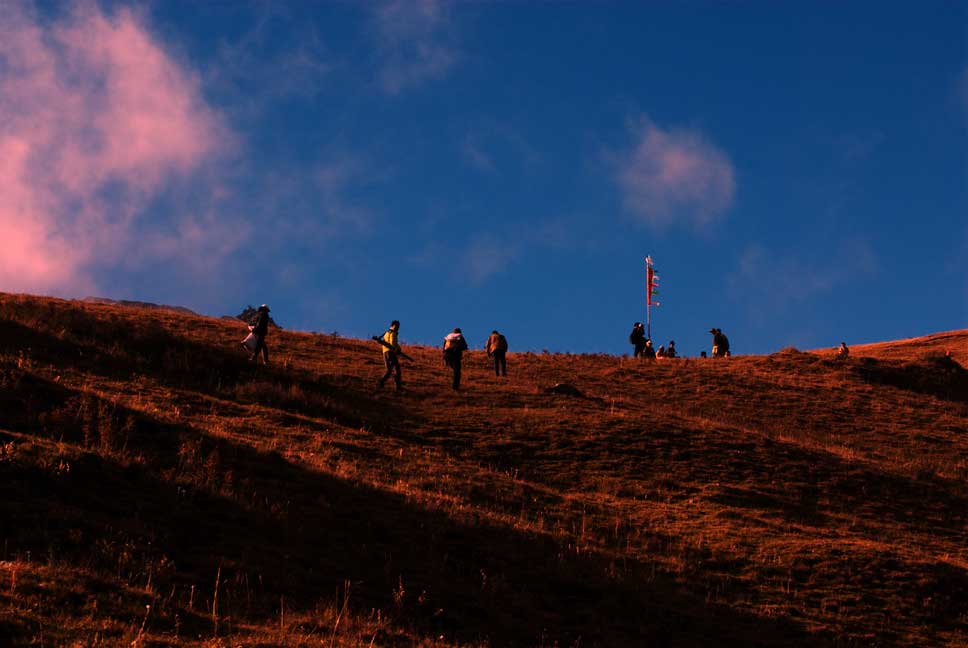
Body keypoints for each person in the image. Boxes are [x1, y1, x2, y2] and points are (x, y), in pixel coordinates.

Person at [378, 320, 403, 390]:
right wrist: (398, 349)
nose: (398, 328)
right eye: (397, 326)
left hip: (385, 352)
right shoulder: (393, 333)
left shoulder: (386, 333)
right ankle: (398, 386)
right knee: (397, 369)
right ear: (393, 325)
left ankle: (381, 382)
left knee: (389, 370)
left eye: (398, 327)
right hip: (391, 353)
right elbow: (393, 343)